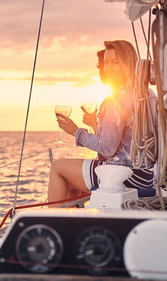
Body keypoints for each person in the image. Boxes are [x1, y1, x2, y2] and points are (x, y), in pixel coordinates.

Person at [47, 39, 156, 207]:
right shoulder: (146, 93)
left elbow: (108, 149)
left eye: (115, 63)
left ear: (127, 63)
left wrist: (76, 131)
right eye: (106, 63)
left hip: (123, 174)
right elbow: (124, 141)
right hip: (147, 173)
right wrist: (95, 125)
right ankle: (73, 221)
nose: (108, 68)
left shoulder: (117, 99)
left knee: (58, 168)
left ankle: (53, 225)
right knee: (71, 179)